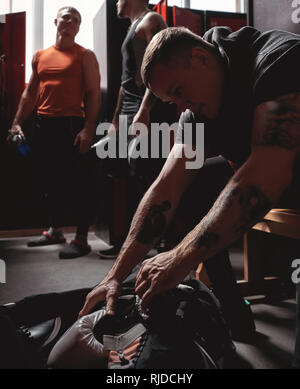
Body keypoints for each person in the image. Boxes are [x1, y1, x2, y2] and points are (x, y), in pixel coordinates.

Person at [79, 25, 300, 350]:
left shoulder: (277, 59)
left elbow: (268, 173)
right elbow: (166, 187)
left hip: (280, 173)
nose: (182, 106)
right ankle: (230, 307)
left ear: (200, 58)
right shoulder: (195, 115)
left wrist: (178, 259)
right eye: (172, 99)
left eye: (180, 91)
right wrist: (115, 274)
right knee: (188, 187)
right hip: (274, 178)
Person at [8, 6, 101, 259]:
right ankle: (55, 230)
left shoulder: (85, 56)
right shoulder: (40, 56)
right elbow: (30, 93)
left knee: (79, 182)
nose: (71, 22)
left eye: (76, 19)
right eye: (66, 17)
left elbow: (93, 93)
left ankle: (81, 240)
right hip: (44, 124)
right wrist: (17, 122)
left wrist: (89, 129)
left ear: (78, 27)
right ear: (56, 21)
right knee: (50, 181)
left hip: (71, 125)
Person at [97, 0, 169, 259]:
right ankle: (135, 241)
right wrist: (116, 118)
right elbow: (127, 80)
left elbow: (159, 69)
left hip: (146, 107)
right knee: (131, 173)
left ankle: (161, 240)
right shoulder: (132, 27)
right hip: (129, 108)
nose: (117, 0)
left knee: (148, 171)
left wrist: (145, 110)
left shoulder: (151, 21)